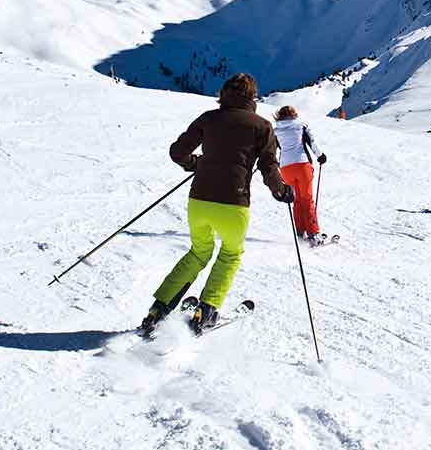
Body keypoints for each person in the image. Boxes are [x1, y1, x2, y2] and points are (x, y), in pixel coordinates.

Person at [140, 73, 293, 335]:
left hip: (199, 200)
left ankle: (159, 308)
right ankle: (206, 310)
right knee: (230, 254)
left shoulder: (208, 118)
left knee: (199, 253)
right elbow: (269, 167)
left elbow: (178, 152)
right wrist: (281, 191)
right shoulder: (262, 126)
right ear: (252, 97)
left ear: (224, 94)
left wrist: (195, 164)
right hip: (234, 203)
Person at [274, 106, 328, 244]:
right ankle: (314, 234)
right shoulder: (301, 125)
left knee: (296, 200)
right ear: (294, 114)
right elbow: (312, 142)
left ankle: (300, 232)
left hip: (285, 167)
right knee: (307, 199)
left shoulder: (276, 131)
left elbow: (272, 150)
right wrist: (320, 156)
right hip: (302, 165)